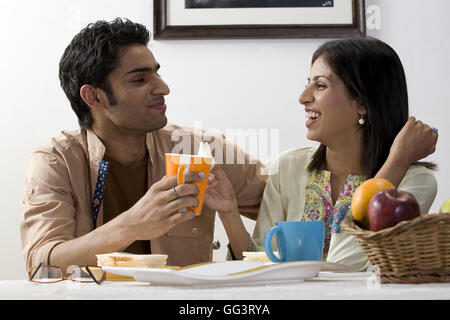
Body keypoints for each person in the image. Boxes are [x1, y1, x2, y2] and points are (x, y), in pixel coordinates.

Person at [20, 18, 266, 272]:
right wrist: (133, 225)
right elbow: (41, 262)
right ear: (93, 96)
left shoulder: (201, 150)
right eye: (139, 80)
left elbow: (292, 205)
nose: (163, 88)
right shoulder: (56, 161)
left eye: (156, 73)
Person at [218, 37, 438, 270]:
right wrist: (229, 213)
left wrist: (397, 162)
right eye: (308, 83)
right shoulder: (288, 167)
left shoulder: (413, 183)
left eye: (320, 85)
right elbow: (260, 265)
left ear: (363, 102)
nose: (303, 97)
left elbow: (344, 266)